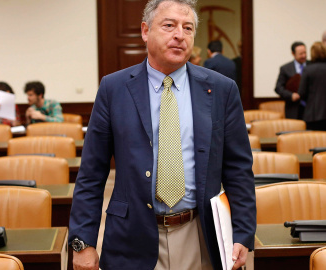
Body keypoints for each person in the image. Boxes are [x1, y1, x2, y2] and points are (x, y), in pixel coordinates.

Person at [69, 0, 256, 269]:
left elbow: (239, 169)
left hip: (200, 234)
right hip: (131, 237)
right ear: (146, 31)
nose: (179, 34)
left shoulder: (221, 90)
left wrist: (242, 233)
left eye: (188, 28)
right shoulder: (114, 88)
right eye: (169, 25)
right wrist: (82, 242)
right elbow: (91, 173)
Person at [274, 41, 309, 119]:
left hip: (310, 109)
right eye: (301, 54)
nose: (304, 56)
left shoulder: (312, 65)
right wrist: (291, 95)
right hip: (293, 109)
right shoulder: (285, 68)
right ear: (293, 54)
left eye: (305, 53)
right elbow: (278, 88)